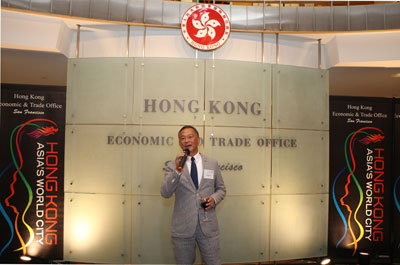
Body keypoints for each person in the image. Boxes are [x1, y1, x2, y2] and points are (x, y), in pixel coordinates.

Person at [161, 125, 226, 265]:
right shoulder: (173, 165)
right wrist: (177, 171)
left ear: (198, 140)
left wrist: (213, 199)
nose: (186, 140)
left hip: (208, 227)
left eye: (190, 137)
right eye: (182, 138)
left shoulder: (212, 163)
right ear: (179, 143)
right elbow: (165, 193)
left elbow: (221, 189)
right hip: (182, 228)